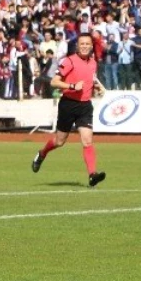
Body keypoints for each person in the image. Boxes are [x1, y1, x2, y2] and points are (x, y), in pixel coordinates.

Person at [31, 32, 108, 187]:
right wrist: (72, 86)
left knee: (87, 141)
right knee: (59, 141)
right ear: (77, 46)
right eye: (82, 44)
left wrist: (97, 86)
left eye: (88, 44)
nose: (85, 46)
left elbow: (90, 78)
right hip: (68, 104)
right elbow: (54, 81)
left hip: (85, 106)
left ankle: (92, 175)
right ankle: (42, 153)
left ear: (91, 46)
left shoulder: (93, 62)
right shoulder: (69, 61)